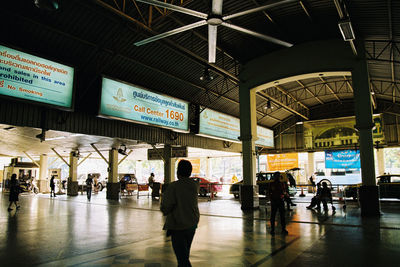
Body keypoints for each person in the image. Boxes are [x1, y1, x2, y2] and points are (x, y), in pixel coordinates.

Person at [161, 160, 200, 267]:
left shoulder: (174, 186)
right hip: (192, 224)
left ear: (178, 172)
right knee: (185, 254)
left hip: (178, 225)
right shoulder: (194, 185)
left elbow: (166, 207)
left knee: (182, 259)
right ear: (190, 172)